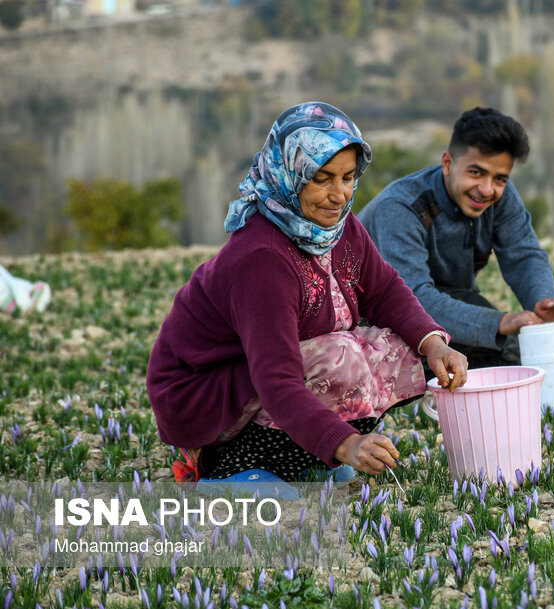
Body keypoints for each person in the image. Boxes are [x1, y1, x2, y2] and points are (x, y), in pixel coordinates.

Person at [146, 102, 468, 496]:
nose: (339, 194)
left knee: (399, 347)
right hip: (204, 395)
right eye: (322, 178)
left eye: (348, 177)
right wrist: (346, 443)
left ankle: (307, 462)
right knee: (342, 358)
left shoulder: (338, 226)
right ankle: (229, 469)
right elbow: (275, 380)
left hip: (260, 377)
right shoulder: (262, 259)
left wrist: (433, 344)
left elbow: (384, 290)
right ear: (290, 175)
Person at [358, 107, 554, 369]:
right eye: (476, 173)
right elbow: (412, 297)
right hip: (377, 322)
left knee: (521, 354)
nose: (486, 189)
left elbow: (524, 255)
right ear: (448, 164)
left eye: (499, 178)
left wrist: (543, 302)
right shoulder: (402, 207)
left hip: (452, 302)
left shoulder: (501, 196)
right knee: (503, 348)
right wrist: (498, 322)